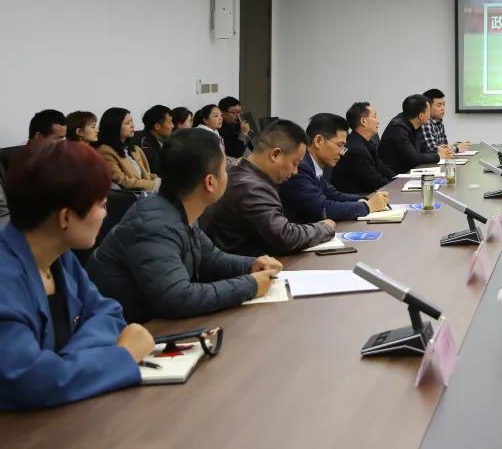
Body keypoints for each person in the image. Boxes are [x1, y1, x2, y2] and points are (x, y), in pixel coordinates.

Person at [0, 141, 154, 410]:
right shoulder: (5, 277)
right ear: (65, 217)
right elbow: (29, 380)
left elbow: (108, 313)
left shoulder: (60, 257)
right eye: (102, 205)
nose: (106, 214)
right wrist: (122, 356)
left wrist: (64, 362)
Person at [87, 129, 281, 322]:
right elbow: (177, 298)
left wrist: (251, 265)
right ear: (210, 182)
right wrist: (250, 285)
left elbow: (211, 257)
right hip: (124, 329)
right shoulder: (153, 225)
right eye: (224, 169)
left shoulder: (176, 206)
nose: (228, 174)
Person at [202, 120, 336, 255]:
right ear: (275, 154)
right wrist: (324, 228)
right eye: (294, 163)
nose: (295, 171)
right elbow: (285, 237)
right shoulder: (251, 187)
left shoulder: (241, 173)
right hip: (247, 264)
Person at [280, 114, 388, 224]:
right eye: (339, 145)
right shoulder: (300, 168)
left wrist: (367, 200)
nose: (342, 153)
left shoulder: (313, 164)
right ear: (318, 141)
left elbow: (333, 195)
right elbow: (321, 208)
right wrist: (367, 206)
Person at [379, 94, 454, 174]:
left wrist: (438, 150)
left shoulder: (416, 122)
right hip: (394, 176)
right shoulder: (398, 128)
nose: (430, 114)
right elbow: (414, 158)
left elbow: (423, 149)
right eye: (429, 111)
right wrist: (438, 156)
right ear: (421, 115)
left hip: (409, 171)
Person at [333, 101, 397, 194]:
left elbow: (382, 168)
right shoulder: (356, 150)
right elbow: (375, 182)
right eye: (374, 117)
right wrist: (398, 187)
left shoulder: (366, 143)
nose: (378, 121)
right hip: (359, 197)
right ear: (363, 121)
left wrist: (400, 180)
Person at [95, 108, 160, 193]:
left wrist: (158, 180)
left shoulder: (135, 149)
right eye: (127, 123)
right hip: (129, 197)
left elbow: (146, 175)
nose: (132, 125)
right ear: (115, 126)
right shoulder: (105, 151)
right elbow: (122, 181)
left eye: (132, 121)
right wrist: (154, 185)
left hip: (146, 194)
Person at [421, 88, 470, 154]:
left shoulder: (439, 121)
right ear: (428, 107)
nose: (443, 108)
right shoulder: (426, 123)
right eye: (439, 105)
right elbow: (432, 150)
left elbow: (445, 145)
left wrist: (452, 147)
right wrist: (457, 148)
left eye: (444, 104)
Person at [139, 105, 174, 176]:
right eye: (170, 122)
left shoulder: (160, 140)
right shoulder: (145, 145)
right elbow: (159, 172)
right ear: (157, 126)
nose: (173, 126)